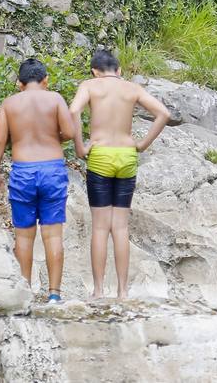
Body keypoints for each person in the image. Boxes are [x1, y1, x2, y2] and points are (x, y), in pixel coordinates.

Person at [69, 47, 170, 300]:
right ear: (119, 70)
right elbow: (163, 114)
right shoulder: (132, 88)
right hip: (126, 156)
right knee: (121, 227)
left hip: (101, 155)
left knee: (101, 228)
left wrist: (81, 148)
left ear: (94, 70)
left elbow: (73, 111)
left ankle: (99, 291)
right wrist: (143, 144)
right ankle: (123, 292)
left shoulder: (90, 85)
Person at [0, 58, 77, 303]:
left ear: (19, 83)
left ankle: (24, 295)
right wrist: (52, 138)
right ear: (45, 80)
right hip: (52, 170)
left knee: (24, 236)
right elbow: (69, 133)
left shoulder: (9, 104)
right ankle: (54, 296)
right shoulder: (56, 99)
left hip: (23, 171)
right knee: (53, 235)